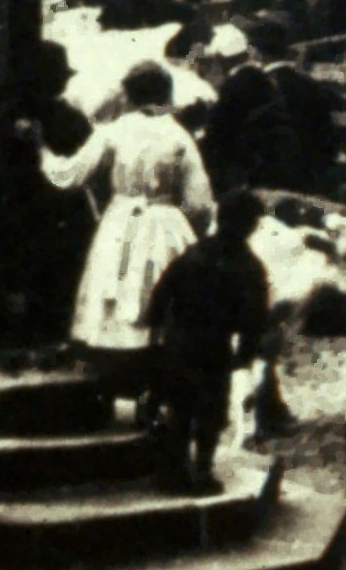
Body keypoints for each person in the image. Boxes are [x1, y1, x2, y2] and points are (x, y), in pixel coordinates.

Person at [37, 63, 216, 360]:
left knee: (115, 286)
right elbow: (200, 203)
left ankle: (118, 359)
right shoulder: (179, 135)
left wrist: (41, 150)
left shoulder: (114, 131)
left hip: (120, 220)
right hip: (165, 220)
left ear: (129, 96)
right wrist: (186, 225)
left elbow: (69, 175)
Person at [141, 192, 267, 494]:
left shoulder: (193, 254)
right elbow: (255, 319)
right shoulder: (249, 266)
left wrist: (156, 338)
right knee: (210, 412)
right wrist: (245, 355)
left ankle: (176, 472)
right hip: (214, 347)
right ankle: (202, 471)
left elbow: (159, 298)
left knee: (180, 409)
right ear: (249, 225)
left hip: (180, 343)